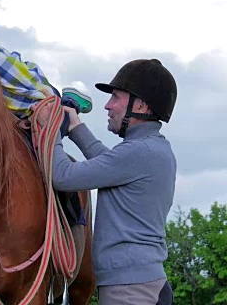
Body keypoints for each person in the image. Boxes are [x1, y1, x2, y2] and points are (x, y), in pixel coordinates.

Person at [31, 58, 177, 305]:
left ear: (140, 105)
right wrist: (76, 127)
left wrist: (51, 127)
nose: (108, 106)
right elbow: (108, 162)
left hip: (130, 291)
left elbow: (62, 176)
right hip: (142, 284)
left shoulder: (138, 152)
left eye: (116, 97)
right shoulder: (153, 149)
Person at [0, 37, 92, 136]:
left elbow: (12, 71)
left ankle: (70, 102)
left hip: (34, 95)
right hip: (14, 94)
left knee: (57, 123)